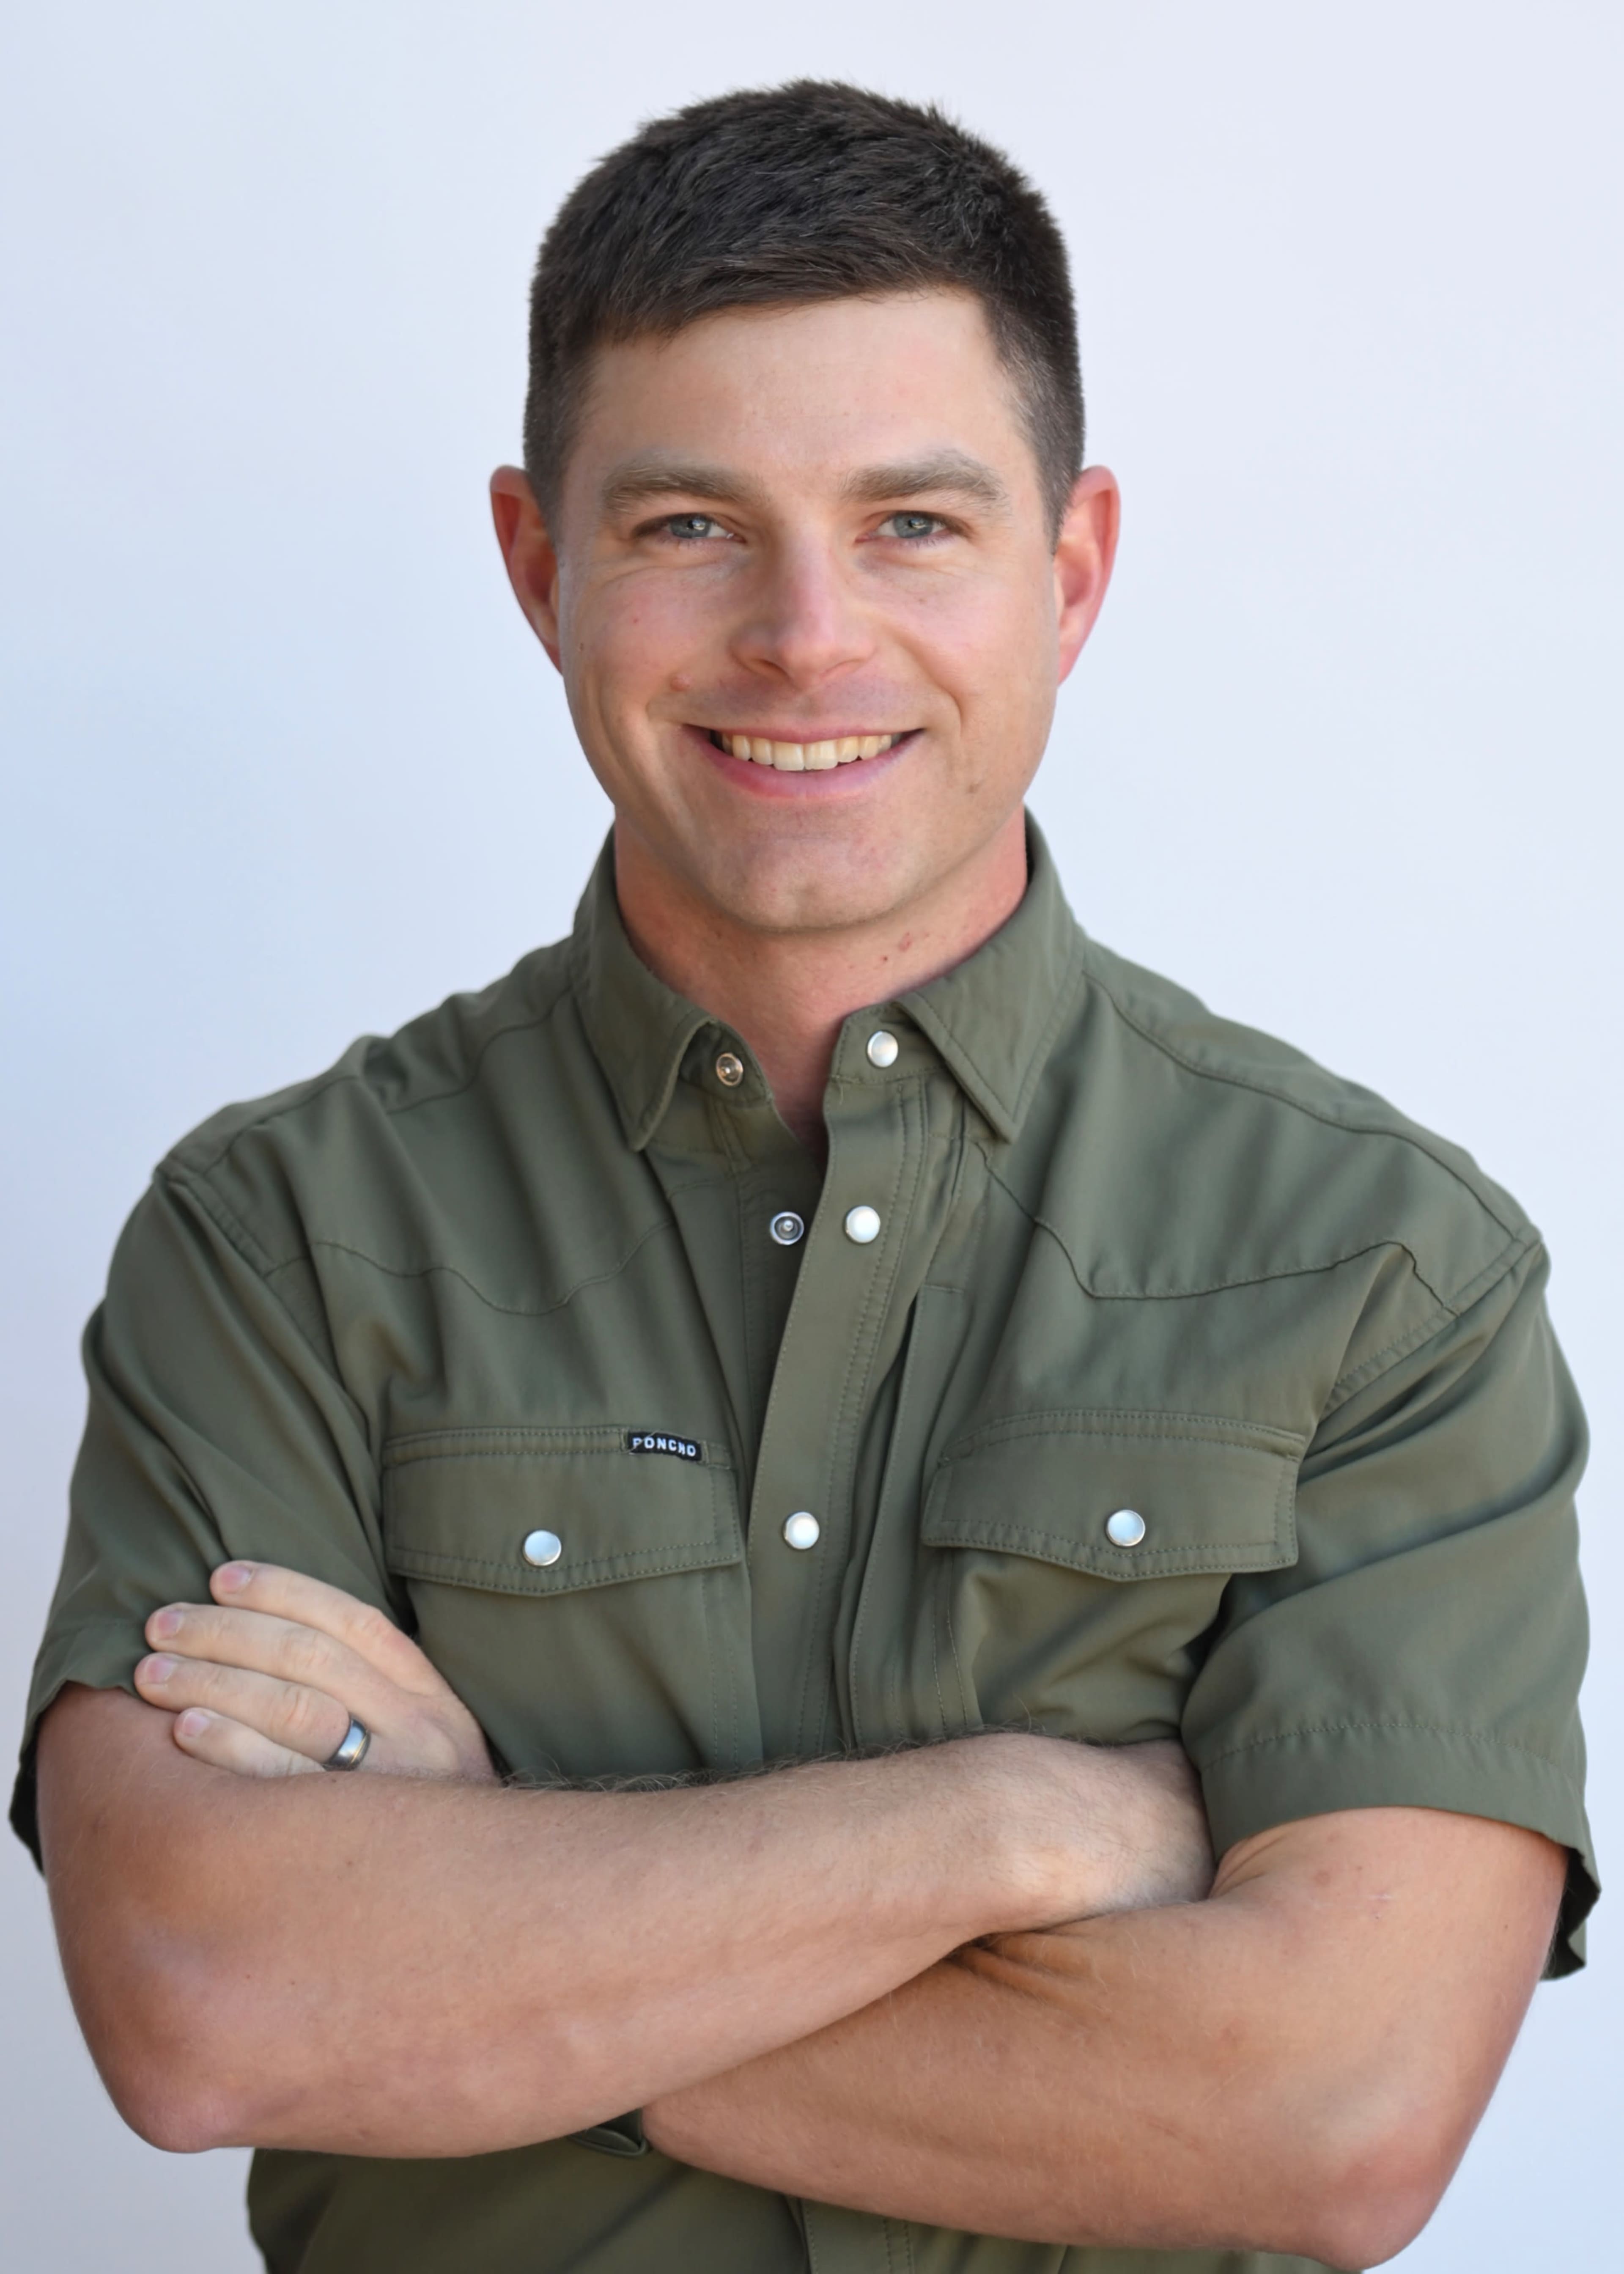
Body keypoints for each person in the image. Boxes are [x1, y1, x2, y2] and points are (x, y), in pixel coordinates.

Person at [14, 80, 1595, 2274]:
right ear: (535, 560)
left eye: (913, 527)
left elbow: (1328, 2121)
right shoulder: (283, 1242)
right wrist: (1026, 1825)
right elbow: (211, 2005)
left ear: (1076, 566)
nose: (806, 639)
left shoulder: (1380, 1273)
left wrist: (493, 1918)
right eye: (690, 527)